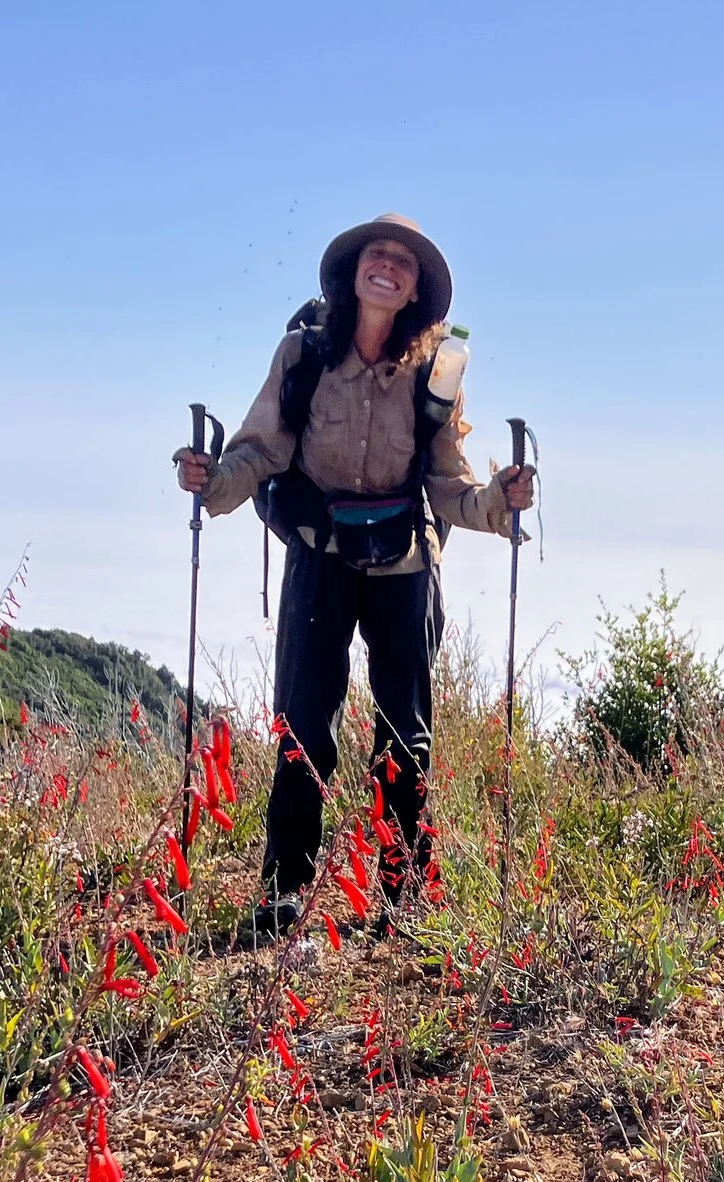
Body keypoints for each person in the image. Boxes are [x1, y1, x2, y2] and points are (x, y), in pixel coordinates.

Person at [176, 214, 535, 936]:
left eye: (404, 263)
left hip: (406, 564)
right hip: (320, 555)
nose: (389, 267)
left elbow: (450, 485)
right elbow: (258, 452)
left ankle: (400, 896)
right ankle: (284, 893)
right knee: (303, 725)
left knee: (406, 735)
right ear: (354, 271)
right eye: (379, 255)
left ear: (414, 291)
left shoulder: (438, 375)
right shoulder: (304, 354)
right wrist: (210, 484)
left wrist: (502, 503)